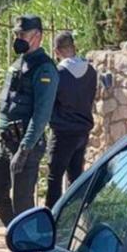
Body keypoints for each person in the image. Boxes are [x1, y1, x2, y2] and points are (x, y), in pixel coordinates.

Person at [0, 16, 59, 252]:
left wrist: (25, 149)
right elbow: (7, 105)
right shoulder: (18, 63)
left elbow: (41, 115)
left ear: (37, 36)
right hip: (6, 142)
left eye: (22, 35)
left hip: (25, 147)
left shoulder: (44, 68)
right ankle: (20, 242)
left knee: (22, 204)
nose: (17, 39)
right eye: (16, 34)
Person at [45, 31, 98, 209]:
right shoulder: (91, 71)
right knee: (76, 178)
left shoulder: (58, 73)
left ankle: (51, 217)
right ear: (74, 48)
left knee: (54, 178)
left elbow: (50, 102)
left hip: (62, 132)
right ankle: (74, 216)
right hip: (82, 131)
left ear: (56, 51)